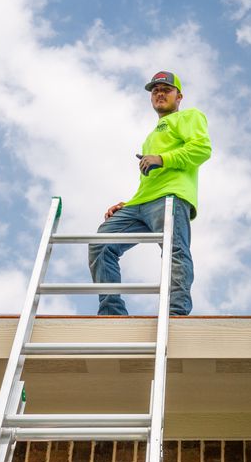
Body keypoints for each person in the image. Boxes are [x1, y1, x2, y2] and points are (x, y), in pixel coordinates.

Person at [89, 71, 212, 316]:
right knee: (101, 243)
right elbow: (149, 180)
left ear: (179, 96)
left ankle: (176, 313)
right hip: (142, 203)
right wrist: (129, 203)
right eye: (155, 91)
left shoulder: (189, 116)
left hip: (170, 198)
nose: (159, 94)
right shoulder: (151, 137)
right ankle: (112, 311)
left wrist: (162, 158)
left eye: (166, 89)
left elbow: (201, 149)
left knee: (175, 250)